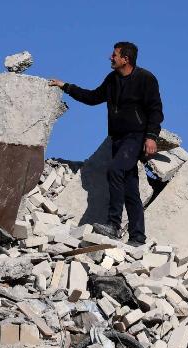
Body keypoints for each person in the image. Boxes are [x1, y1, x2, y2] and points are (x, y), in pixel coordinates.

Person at [49, 42, 163, 247]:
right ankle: (137, 237)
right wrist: (66, 87)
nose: (110, 57)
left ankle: (113, 224)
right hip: (117, 139)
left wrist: (151, 136)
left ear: (125, 59)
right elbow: (93, 97)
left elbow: (156, 110)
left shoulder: (145, 79)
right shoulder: (112, 80)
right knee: (130, 187)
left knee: (115, 170)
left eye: (114, 55)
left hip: (135, 136)